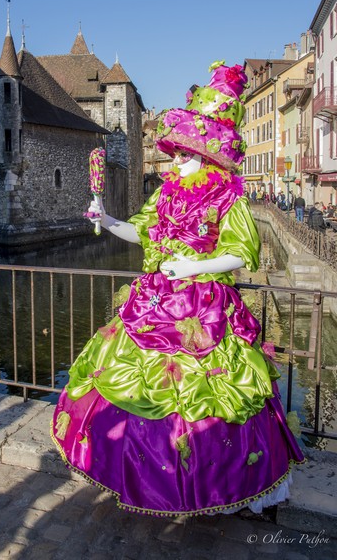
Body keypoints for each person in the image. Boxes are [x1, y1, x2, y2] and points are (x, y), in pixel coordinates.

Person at [52, 61, 304, 516]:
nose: (175, 160)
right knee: (135, 388)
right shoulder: (165, 194)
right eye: (175, 152)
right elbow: (142, 234)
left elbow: (241, 253)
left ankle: (216, 487)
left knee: (208, 395)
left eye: (185, 153)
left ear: (208, 156)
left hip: (203, 307)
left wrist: (197, 264)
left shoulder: (228, 198)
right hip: (154, 301)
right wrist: (109, 221)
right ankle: (140, 476)